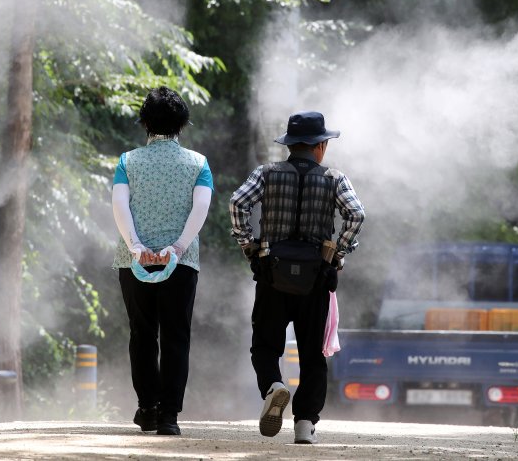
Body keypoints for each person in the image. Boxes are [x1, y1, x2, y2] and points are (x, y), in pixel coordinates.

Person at [229, 111, 364, 444]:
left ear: (290, 145)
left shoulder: (266, 173)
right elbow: (356, 214)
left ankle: (274, 386)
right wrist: (340, 254)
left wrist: (248, 245)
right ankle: (305, 424)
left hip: (272, 274)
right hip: (315, 279)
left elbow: (237, 203)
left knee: (264, 345)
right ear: (319, 146)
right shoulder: (334, 177)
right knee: (312, 356)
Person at [112, 86, 213, 436]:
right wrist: (178, 247)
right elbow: (201, 207)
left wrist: (137, 246)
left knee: (142, 334)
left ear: (145, 122)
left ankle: (148, 407)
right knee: (176, 336)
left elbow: (119, 206)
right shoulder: (199, 163)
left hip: (134, 260)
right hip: (181, 264)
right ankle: (169, 416)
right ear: (182, 125)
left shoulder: (127, 161)